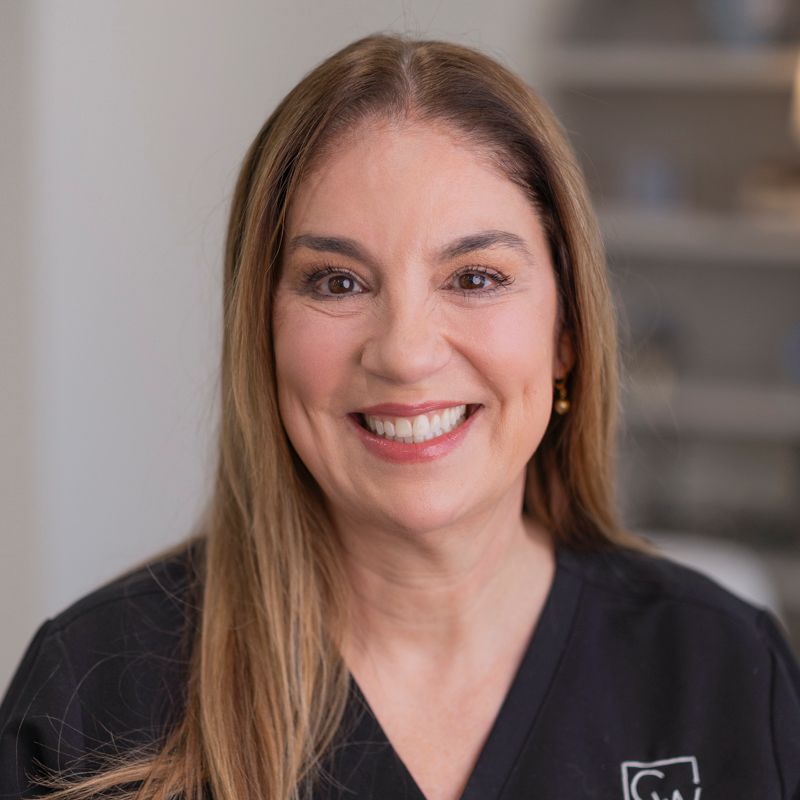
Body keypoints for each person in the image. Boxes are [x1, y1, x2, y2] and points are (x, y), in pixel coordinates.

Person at [1, 33, 799, 800]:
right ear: (262, 336)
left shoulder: (726, 672)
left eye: (476, 278)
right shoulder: (93, 698)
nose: (407, 354)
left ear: (566, 333)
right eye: (338, 282)